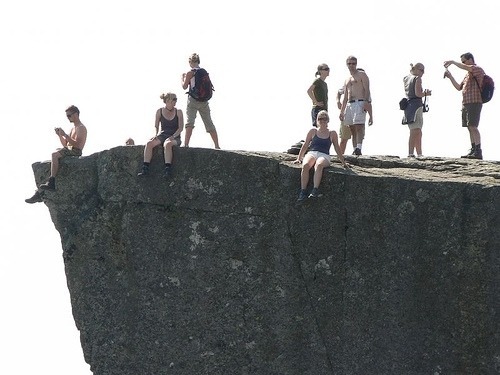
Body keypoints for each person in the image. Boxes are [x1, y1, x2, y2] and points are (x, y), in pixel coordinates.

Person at [25, 105, 87, 204]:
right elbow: (66, 144)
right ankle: (39, 192)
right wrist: (60, 135)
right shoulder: (73, 128)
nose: (68, 118)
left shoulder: (81, 128)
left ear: (76, 114)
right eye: (67, 116)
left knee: (54, 155)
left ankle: (51, 181)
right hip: (70, 150)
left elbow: (78, 145)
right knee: (53, 161)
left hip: (76, 151)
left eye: (69, 115)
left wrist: (65, 135)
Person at [293, 110, 349, 202]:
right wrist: (299, 158)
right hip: (312, 153)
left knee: (319, 165)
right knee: (306, 165)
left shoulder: (332, 133)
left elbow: (337, 148)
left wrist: (343, 162)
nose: (322, 120)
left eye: (324, 118)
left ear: (328, 120)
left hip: (324, 155)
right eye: (320, 118)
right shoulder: (313, 131)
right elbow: (305, 145)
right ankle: (303, 191)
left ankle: (315, 190)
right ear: (317, 120)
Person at [444, 52, 485, 159]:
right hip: (466, 103)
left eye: (464, 61)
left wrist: (452, 62)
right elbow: (458, 87)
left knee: (473, 126)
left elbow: (465, 67)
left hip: (474, 102)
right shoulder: (467, 75)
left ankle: (478, 150)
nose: (463, 63)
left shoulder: (477, 69)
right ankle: (473, 149)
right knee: (469, 127)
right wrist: (450, 77)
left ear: (470, 59)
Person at [137, 92, 184, 177]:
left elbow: (180, 128)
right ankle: (145, 168)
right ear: (168, 100)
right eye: (174, 99)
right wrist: (155, 134)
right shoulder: (159, 111)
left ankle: (167, 169)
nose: (175, 101)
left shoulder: (179, 112)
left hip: (175, 136)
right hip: (163, 135)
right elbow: (156, 126)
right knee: (149, 143)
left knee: (167, 144)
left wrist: (172, 137)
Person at [181, 53, 220, 149]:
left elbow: (184, 87)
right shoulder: (203, 72)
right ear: (198, 61)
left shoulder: (190, 73)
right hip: (204, 101)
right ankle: (217, 145)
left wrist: (182, 78)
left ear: (190, 62)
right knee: (209, 122)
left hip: (193, 100)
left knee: (190, 122)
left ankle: (186, 144)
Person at [339, 56, 371, 156]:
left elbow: (367, 89)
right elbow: (345, 96)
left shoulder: (361, 74)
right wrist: (342, 110)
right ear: (347, 64)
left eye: (353, 63)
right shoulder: (347, 79)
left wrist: (366, 102)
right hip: (350, 104)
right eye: (349, 63)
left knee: (359, 126)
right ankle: (355, 149)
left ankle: (359, 147)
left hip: (359, 102)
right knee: (351, 128)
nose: (351, 65)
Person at [402, 63, 431, 158]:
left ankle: (418, 153)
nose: (423, 73)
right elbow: (418, 94)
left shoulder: (406, 78)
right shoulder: (417, 78)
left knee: (416, 130)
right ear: (415, 69)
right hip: (416, 106)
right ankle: (412, 153)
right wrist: (426, 93)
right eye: (421, 70)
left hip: (408, 106)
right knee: (416, 130)